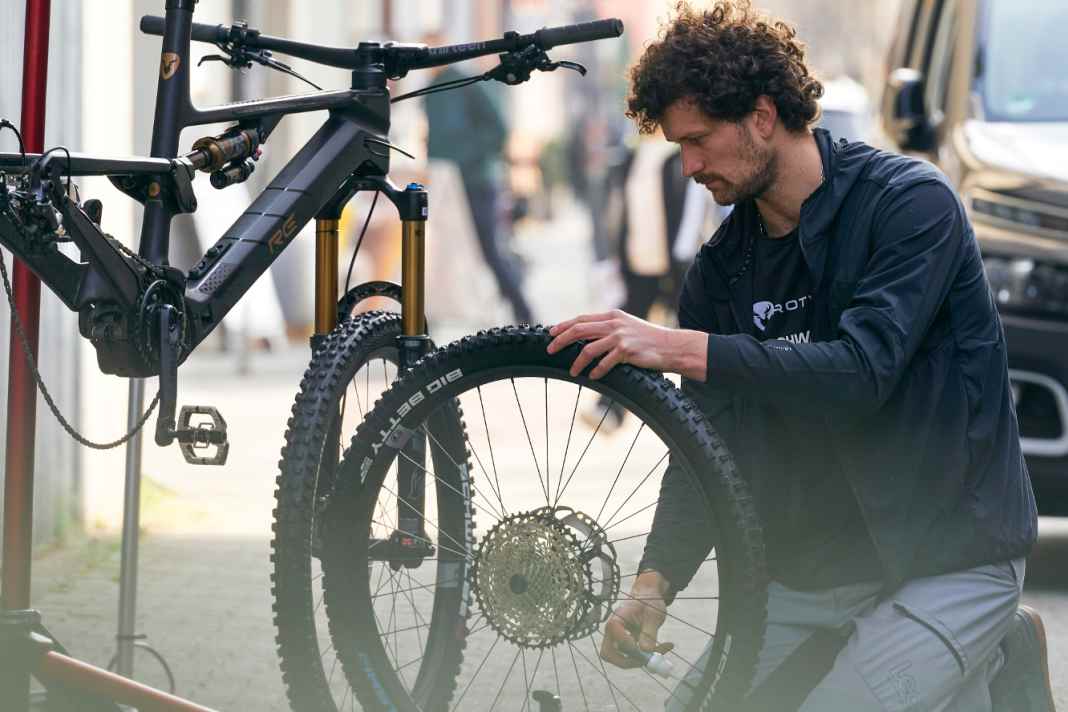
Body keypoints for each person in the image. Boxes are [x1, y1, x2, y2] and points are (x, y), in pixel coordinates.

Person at [546, 2, 1051, 710]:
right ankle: (964, 673)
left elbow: (862, 372)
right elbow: (705, 445)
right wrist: (654, 585)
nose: (688, 167)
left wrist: (683, 348)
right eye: (678, 147)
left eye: (699, 140)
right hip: (818, 571)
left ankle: (992, 653)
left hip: (949, 554)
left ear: (761, 116)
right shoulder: (719, 273)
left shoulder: (910, 206)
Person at [422, 44, 534, 324]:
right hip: (445, 184)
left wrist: (467, 157)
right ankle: (427, 320)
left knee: (491, 251)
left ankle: (525, 314)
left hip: (477, 182)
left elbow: (499, 129)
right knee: (441, 252)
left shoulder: (466, 82)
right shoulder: (430, 90)